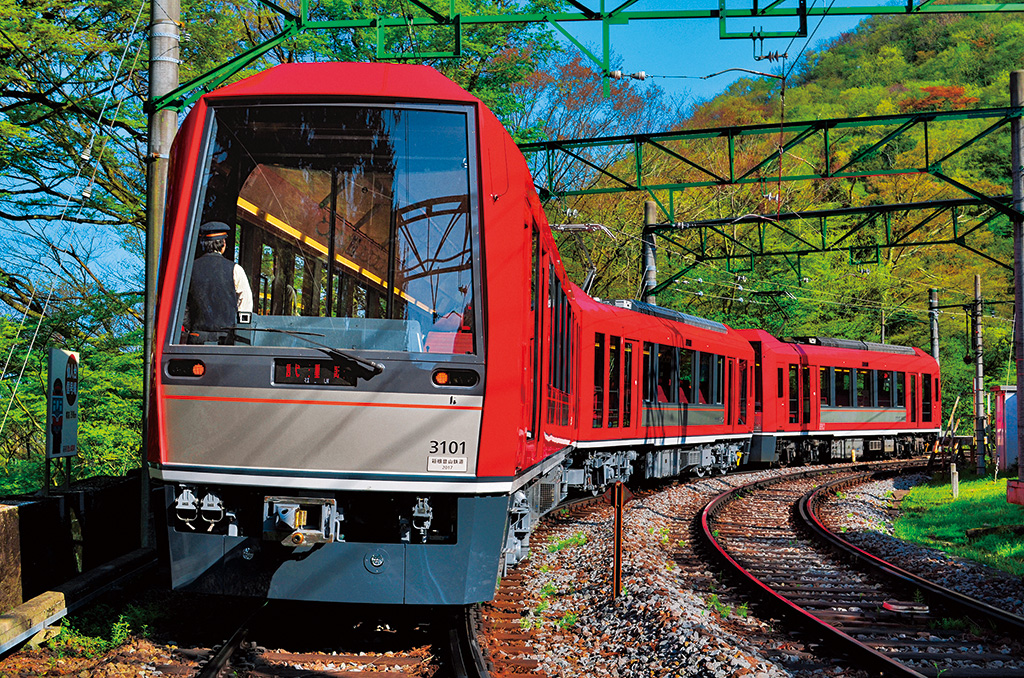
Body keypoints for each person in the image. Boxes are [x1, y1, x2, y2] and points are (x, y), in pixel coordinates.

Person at [183, 221, 254, 344]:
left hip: (197, 336)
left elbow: (182, 305)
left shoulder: (189, 269)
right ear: (223, 244)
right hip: (227, 338)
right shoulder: (235, 269)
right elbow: (245, 304)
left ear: (204, 244)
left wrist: (193, 325)